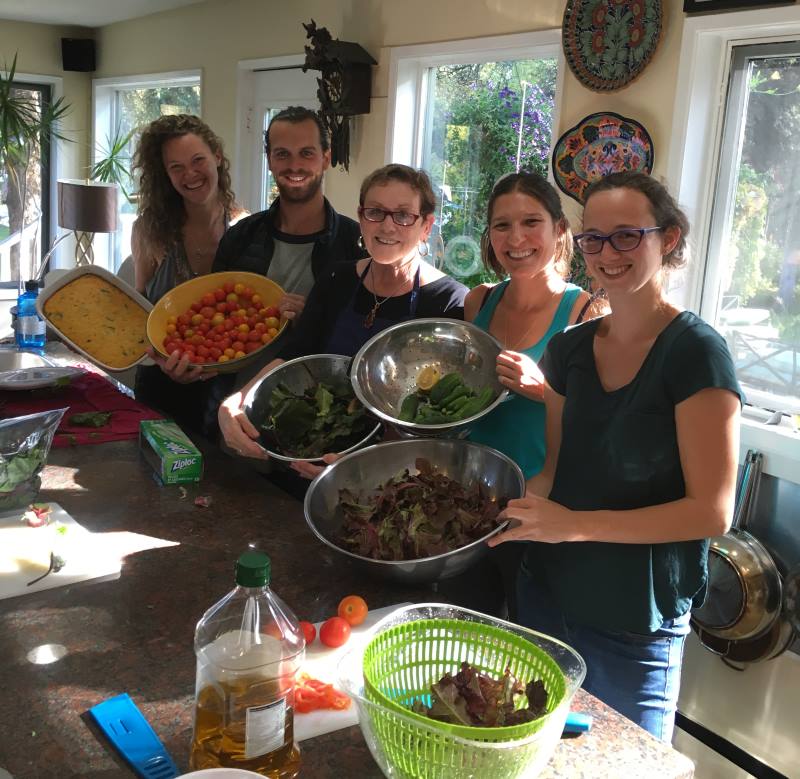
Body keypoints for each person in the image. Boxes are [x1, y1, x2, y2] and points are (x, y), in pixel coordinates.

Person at [489, 172, 743, 741]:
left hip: (634, 614)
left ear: (668, 239)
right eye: (594, 239)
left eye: (627, 235)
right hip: (547, 597)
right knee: (537, 752)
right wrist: (490, 510)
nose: (608, 253)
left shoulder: (696, 353)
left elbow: (711, 512)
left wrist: (573, 527)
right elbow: (554, 471)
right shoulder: (569, 349)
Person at [218, 164, 466, 471]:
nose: (387, 227)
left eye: (403, 215)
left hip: (389, 470)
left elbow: (435, 416)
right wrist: (238, 400)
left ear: (426, 226)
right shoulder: (337, 278)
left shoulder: (449, 301)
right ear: (361, 217)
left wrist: (355, 465)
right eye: (375, 212)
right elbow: (296, 353)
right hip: (312, 447)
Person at [440, 172, 594, 620]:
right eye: (502, 226)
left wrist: (541, 389)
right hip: (467, 498)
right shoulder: (478, 301)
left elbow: (598, 421)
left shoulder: (583, 311)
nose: (517, 238)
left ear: (558, 230)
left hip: (535, 504)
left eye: (532, 222)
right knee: (461, 626)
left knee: (520, 631)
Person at [130, 114, 246, 430]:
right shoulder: (150, 231)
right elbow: (139, 308)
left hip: (226, 389)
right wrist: (163, 361)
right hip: (161, 383)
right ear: (165, 174)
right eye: (176, 167)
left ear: (217, 158)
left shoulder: (245, 227)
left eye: (198, 160)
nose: (190, 174)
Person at [211, 106, 364, 322]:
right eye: (282, 154)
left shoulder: (356, 244)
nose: (295, 165)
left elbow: (365, 330)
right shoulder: (239, 238)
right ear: (270, 161)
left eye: (306, 153)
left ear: (326, 159)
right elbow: (213, 319)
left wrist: (311, 319)